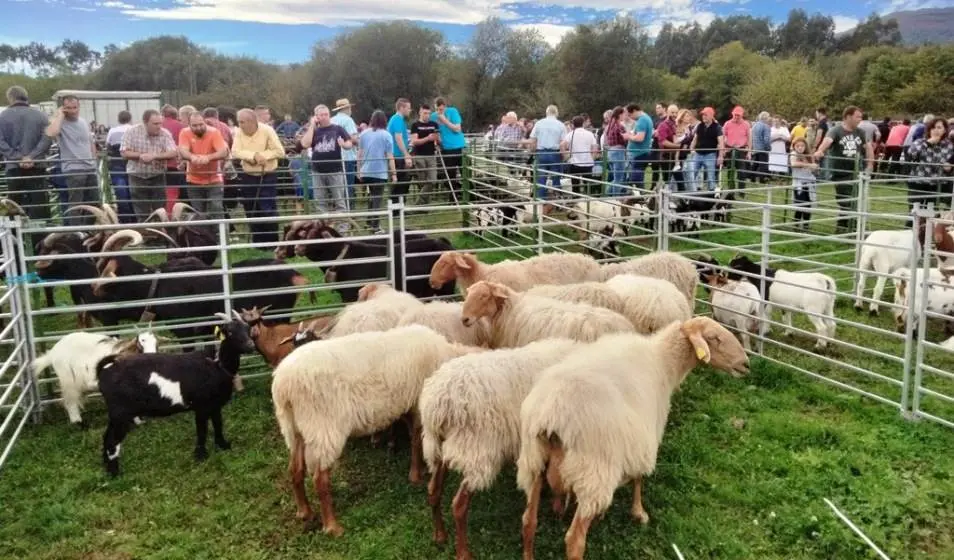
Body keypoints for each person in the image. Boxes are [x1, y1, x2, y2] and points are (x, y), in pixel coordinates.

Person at [0, 85, 53, 247]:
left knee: (13, 208)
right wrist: (32, 156)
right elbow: (47, 139)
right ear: (26, 97)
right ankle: (41, 248)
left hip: (13, 169)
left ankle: (15, 247)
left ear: (10, 98)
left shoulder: (2, 117)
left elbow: (1, 142)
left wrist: (17, 158)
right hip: (37, 168)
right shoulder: (41, 116)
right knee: (40, 208)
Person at [813, 106, 872, 233]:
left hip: (857, 171)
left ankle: (843, 227)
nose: (860, 119)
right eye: (858, 117)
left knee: (855, 199)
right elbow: (827, 141)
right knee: (847, 200)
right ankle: (853, 227)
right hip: (840, 172)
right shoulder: (836, 130)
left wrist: (870, 165)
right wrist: (820, 150)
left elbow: (868, 148)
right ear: (848, 117)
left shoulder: (860, 132)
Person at [231, 108, 285, 245]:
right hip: (248, 175)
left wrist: (263, 156)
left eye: (242, 122)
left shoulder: (267, 130)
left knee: (267, 207)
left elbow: (280, 151)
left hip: (267, 174)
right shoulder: (239, 133)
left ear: (251, 122)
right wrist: (253, 156)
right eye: (239, 122)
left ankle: (272, 242)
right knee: (250, 207)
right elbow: (235, 151)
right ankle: (257, 242)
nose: (240, 124)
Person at [45, 95, 101, 226]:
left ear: (79, 107)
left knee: (94, 201)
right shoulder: (60, 123)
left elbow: (90, 141)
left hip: (89, 167)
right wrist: (59, 115)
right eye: (68, 108)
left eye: (75, 107)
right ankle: (76, 232)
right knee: (76, 203)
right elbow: (51, 133)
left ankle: (90, 229)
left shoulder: (83, 121)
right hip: (73, 168)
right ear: (63, 108)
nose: (72, 110)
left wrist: (94, 160)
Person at [121, 109, 179, 222]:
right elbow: (124, 152)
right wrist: (140, 156)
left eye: (160, 123)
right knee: (141, 211)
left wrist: (154, 156)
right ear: (145, 122)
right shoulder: (131, 131)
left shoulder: (165, 133)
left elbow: (173, 152)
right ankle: (145, 234)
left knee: (160, 210)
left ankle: (159, 234)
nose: (159, 126)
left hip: (157, 175)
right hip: (137, 175)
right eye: (155, 124)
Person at [299, 104, 352, 220]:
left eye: (326, 114)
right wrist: (312, 125)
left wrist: (344, 144)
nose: (324, 117)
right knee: (320, 202)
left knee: (339, 201)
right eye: (321, 115)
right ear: (316, 117)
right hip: (317, 171)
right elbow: (305, 144)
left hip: (335, 170)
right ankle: (322, 229)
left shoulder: (337, 128)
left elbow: (350, 143)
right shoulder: (313, 131)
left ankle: (343, 229)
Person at [178, 112, 229, 220]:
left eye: (201, 124)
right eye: (195, 126)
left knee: (216, 208)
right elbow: (183, 151)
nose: (198, 127)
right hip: (193, 179)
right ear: (189, 125)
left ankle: (220, 235)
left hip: (214, 178)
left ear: (205, 122)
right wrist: (192, 157)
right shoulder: (184, 133)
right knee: (198, 212)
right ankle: (202, 235)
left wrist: (208, 158)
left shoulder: (214, 132)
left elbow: (223, 152)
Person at [358, 110, 397, 233]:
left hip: (366, 171)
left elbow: (359, 154)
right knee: (377, 198)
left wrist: (359, 170)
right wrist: (394, 173)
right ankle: (375, 226)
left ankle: (369, 221)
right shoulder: (386, 135)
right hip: (379, 172)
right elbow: (390, 156)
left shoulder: (363, 134)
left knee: (372, 195)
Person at [905, 118, 954, 211]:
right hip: (918, 182)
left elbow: (950, 164)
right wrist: (928, 143)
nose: (936, 130)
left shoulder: (949, 146)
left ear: (944, 130)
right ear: (929, 130)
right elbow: (911, 153)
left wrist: (949, 166)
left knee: (931, 214)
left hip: (937, 185)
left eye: (939, 128)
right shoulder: (920, 142)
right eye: (933, 128)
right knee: (914, 212)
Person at [431, 97, 466, 200]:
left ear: (445, 107)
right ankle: (453, 198)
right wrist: (437, 141)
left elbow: (457, 129)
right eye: (437, 109)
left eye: (441, 109)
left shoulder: (453, 111)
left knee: (465, 173)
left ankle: (469, 197)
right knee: (449, 176)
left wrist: (445, 120)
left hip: (459, 147)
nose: (439, 112)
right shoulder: (433, 117)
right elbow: (434, 131)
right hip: (446, 149)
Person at [105, 110, 136, 223]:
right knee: (133, 191)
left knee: (121, 192)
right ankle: (135, 218)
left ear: (118, 119)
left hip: (117, 164)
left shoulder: (112, 131)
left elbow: (108, 146)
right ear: (130, 118)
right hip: (132, 163)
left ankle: (124, 219)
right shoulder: (134, 129)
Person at [330, 98, 359, 209]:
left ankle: (336, 210)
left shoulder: (331, 120)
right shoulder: (348, 120)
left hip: (333, 158)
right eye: (350, 107)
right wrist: (358, 142)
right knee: (348, 186)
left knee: (336, 187)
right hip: (347, 157)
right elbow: (354, 138)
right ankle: (348, 211)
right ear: (347, 108)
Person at [688, 107, 724, 192]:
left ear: (711, 116)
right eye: (703, 115)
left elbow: (721, 142)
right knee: (692, 173)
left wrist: (720, 156)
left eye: (706, 115)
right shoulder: (700, 126)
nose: (703, 116)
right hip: (698, 154)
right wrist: (691, 148)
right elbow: (695, 139)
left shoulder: (717, 127)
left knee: (711, 177)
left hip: (710, 154)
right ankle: (690, 192)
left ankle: (711, 194)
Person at [560, 115, 599, 195]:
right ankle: (589, 202)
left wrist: (565, 156)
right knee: (588, 186)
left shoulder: (570, 134)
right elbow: (595, 147)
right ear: (583, 123)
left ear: (573, 124)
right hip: (588, 163)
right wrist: (593, 158)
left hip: (575, 164)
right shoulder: (590, 134)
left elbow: (562, 145)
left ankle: (576, 202)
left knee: (575, 187)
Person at [409, 104, 439, 205]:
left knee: (433, 180)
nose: (427, 115)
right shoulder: (415, 125)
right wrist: (428, 138)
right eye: (425, 113)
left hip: (431, 155)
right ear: (420, 112)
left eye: (429, 113)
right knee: (422, 182)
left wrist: (437, 139)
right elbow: (414, 141)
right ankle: (425, 205)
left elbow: (438, 139)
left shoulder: (434, 124)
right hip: (419, 155)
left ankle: (418, 203)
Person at [387, 98, 413, 206]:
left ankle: (399, 206)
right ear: (401, 108)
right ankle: (396, 207)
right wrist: (406, 154)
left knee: (403, 181)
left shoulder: (397, 119)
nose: (409, 110)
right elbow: (398, 138)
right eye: (408, 107)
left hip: (398, 155)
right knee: (400, 183)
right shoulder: (397, 119)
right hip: (397, 156)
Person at [789, 137, 819, 230]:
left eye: (802, 145)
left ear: (805, 146)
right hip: (799, 183)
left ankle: (806, 226)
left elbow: (815, 169)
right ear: (794, 147)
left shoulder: (808, 156)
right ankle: (796, 225)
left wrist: (815, 167)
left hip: (809, 183)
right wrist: (809, 165)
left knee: (808, 205)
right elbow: (793, 164)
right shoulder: (794, 154)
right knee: (800, 204)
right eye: (798, 146)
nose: (800, 148)